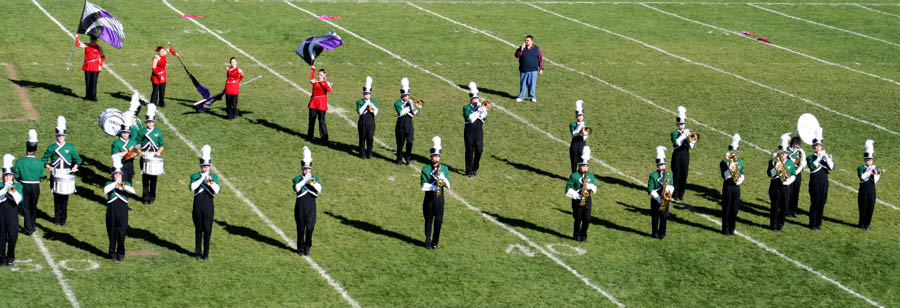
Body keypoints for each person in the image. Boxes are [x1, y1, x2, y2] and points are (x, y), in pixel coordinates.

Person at [42, 116, 81, 226]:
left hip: (67, 174)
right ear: (56, 136)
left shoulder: (70, 147)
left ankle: (63, 220)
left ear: (65, 136)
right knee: (56, 198)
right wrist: (49, 167)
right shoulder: (51, 148)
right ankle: (56, 219)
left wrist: (75, 166)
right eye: (59, 136)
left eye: (62, 136)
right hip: (55, 174)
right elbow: (43, 160)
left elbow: (78, 160)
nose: (60, 137)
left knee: (65, 198)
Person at [103, 155, 135, 261]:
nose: (118, 175)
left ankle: (121, 252)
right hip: (111, 210)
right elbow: (106, 190)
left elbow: (132, 191)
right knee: (112, 231)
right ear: (113, 176)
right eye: (116, 174)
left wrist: (120, 184)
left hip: (122, 210)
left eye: (119, 174)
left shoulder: (126, 183)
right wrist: (116, 184)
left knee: (122, 232)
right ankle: (112, 252)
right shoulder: (109, 183)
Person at [190, 145, 220, 260]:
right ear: (201, 166)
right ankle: (198, 253)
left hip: (208, 205)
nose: (206, 168)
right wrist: (202, 179)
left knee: (208, 229)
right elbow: (192, 188)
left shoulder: (213, 177)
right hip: (197, 205)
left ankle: (206, 253)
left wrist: (209, 180)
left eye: (207, 166)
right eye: (204, 166)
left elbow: (217, 190)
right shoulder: (195, 176)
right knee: (198, 229)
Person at [421, 137, 450, 250]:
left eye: (437, 156)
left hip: (439, 198)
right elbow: (424, 185)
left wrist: (442, 179)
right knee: (428, 219)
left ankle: (435, 241)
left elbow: (448, 186)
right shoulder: (426, 169)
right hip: (429, 198)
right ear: (431, 157)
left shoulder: (445, 169)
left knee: (438, 221)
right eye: (434, 156)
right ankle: (428, 240)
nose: (436, 158)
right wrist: (435, 184)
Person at [293, 146, 322, 256]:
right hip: (300, 207)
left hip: (311, 207)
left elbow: (319, 189)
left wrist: (311, 181)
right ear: (302, 169)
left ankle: (308, 246)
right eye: (304, 169)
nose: (306, 171)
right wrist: (304, 180)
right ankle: (300, 248)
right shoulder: (297, 179)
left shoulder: (314, 178)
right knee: (300, 228)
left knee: (310, 227)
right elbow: (297, 188)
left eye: (308, 169)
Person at [14, 129, 43, 236]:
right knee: (33, 206)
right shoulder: (39, 162)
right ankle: (33, 225)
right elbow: (41, 177)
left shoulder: (20, 161)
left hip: (24, 186)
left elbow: (16, 176)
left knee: (25, 207)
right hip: (35, 186)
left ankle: (28, 228)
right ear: (36, 149)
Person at [565, 146, 597, 242]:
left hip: (587, 199)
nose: (585, 168)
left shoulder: (590, 175)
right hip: (577, 199)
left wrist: (590, 187)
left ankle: (584, 236)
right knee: (578, 218)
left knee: (587, 218)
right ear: (579, 166)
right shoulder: (574, 176)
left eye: (586, 166)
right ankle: (576, 235)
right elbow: (568, 188)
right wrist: (577, 195)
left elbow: (595, 186)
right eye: (583, 166)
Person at [767, 133, 796, 232]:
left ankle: (780, 225)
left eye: (785, 153)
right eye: (782, 153)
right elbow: (769, 174)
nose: (784, 155)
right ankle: (773, 225)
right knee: (775, 207)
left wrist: (789, 180)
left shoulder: (790, 163)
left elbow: (793, 174)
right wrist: (776, 168)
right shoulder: (773, 162)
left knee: (784, 207)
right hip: (776, 186)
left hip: (786, 187)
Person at [806, 128, 834, 230]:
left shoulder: (824, 156)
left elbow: (832, 167)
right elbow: (813, 167)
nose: (818, 148)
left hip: (824, 182)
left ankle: (819, 224)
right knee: (815, 202)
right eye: (816, 146)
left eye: (819, 146)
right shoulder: (810, 157)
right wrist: (819, 158)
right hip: (815, 182)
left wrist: (828, 159)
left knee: (822, 202)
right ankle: (812, 224)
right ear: (813, 147)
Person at [719, 134, 745, 236]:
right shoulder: (724, 162)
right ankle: (725, 229)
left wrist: (741, 179)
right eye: (732, 153)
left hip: (736, 186)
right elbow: (725, 176)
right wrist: (730, 166)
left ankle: (732, 229)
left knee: (734, 209)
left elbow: (742, 173)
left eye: (735, 153)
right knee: (727, 207)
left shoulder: (740, 162)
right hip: (728, 186)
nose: (734, 154)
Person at [139, 104, 165, 204]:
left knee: (153, 179)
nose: (150, 123)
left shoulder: (158, 132)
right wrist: (140, 152)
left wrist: (158, 152)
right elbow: (137, 143)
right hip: (145, 156)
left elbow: (162, 145)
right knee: (145, 179)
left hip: (154, 157)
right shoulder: (142, 132)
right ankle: (145, 198)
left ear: (154, 122)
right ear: (146, 122)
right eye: (148, 122)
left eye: (152, 122)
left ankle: (152, 197)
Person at [670, 106, 696, 204]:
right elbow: (676, 144)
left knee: (684, 174)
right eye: (680, 124)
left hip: (685, 155)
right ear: (677, 124)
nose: (681, 125)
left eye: (683, 124)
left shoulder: (687, 132)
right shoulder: (674, 133)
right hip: (677, 155)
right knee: (676, 175)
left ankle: (681, 194)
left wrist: (690, 138)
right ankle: (674, 195)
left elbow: (692, 146)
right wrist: (683, 136)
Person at [1, 155, 23, 266]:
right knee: (1, 238)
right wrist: (4, 188)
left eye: (9, 175)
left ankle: (10, 257)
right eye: (5, 176)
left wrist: (10, 188)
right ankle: (2, 258)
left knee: (13, 237)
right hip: (1, 216)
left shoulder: (17, 186)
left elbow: (18, 199)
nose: (7, 178)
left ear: (13, 176)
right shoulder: (0, 186)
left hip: (12, 215)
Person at [648, 146, 674, 240]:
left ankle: (662, 233)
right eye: (660, 165)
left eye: (663, 165)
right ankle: (655, 233)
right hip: (656, 199)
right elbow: (650, 189)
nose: (662, 167)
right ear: (657, 166)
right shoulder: (653, 175)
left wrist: (668, 192)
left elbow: (671, 184)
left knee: (664, 216)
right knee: (655, 217)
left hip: (665, 198)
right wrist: (658, 199)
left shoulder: (669, 175)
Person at [463, 82, 488, 177]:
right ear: (471, 99)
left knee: (479, 150)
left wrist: (483, 110)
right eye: (474, 99)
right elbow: (469, 118)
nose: (476, 100)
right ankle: (468, 171)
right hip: (469, 132)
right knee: (469, 151)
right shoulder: (466, 107)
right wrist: (478, 111)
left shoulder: (481, 107)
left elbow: (485, 118)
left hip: (479, 132)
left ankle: (475, 167)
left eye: (477, 98)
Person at [394, 77, 419, 165]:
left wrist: (415, 107)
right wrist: (409, 106)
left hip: (409, 124)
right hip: (400, 125)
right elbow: (401, 112)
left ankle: (408, 157)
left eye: (407, 95)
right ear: (402, 95)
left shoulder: (410, 103)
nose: (406, 97)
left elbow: (415, 113)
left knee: (410, 141)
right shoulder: (397, 103)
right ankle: (399, 158)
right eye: (405, 96)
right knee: (400, 143)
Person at [857, 140, 880, 230]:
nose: (869, 162)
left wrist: (875, 173)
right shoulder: (861, 168)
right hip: (863, 189)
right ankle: (861, 223)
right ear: (865, 160)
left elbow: (875, 180)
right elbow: (862, 177)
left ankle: (867, 224)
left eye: (870, 160)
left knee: (870, 207)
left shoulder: (875, 168)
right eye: (868, 160)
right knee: (863, 206)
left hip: (871, 189)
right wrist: (870, 170)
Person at [514, 35, 543, 103]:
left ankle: (532, 97)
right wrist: (521, 49)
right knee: (523, 84)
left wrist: (541, 68)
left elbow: (540, 58)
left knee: (532, 84)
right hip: (524, 70)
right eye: (525, 40)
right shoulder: (521, 48)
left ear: (531, 41)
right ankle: (521, 97)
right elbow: (517, 55)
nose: (526, 41)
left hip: (533, 70)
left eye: (527, 40)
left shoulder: (536, 48)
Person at [75, 34, 104, 101]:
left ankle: (94, 97)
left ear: (96, 41)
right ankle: (87, 96)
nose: (93, 41)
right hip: (87, 67)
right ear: (90, 40)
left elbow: (102, 57)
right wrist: (76, 37)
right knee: (88, 82)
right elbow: (78, 44)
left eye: (94, 40)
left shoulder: (99, 48)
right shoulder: (86, 45)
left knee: (94, 82)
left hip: (95, 67)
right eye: (92, 40)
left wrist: (100, 65)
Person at [307, 66, 331, 142]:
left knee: (321, 120)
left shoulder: (325, 82)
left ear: (324, 76)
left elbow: (329, 90)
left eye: (320, 75)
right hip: (314, 102)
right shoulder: (315, 81)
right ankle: (310, 136)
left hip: (321, 103)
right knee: (311, 119)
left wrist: (323, 82)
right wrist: (313, 70)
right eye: (319, 74)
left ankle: (324, 137)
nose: (319, 76)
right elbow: (311, 79)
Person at [356, 76, 377, 158]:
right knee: (362, 138)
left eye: (368, 94)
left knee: (370, 138)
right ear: (363, 94)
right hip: (362, 122)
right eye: (365, 94)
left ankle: (369, 152)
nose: (367, 95)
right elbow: (360, 112)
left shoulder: (374, 101)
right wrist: (366, 104)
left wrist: (372, 106)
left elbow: (376, 113)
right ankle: (362, 153)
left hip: (371, 122)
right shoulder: (359, 102)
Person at [568, 100, 591, 173]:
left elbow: (585, 137)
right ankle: (574, 177)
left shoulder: (586, 125)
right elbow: (573, 134)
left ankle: (582, 176)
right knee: (574, 163)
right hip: (574, 144)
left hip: (582, 144)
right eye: (578, 116)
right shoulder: (572, 124)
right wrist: (579, 128)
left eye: (581, 116)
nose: (580, 117)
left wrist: (583, 131)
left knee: (583, 162)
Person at [787, 136, 806, 218]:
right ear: (792, 143)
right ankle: (786, 210)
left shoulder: (800, 152)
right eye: (795, 143)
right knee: (788, 193)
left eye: (798, 144)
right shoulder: (787, 151)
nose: (796, 145)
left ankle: (793, 211)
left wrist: (803, 164)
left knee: (796, 193)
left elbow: (802, 162)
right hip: (789, 174)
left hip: (798, 175)